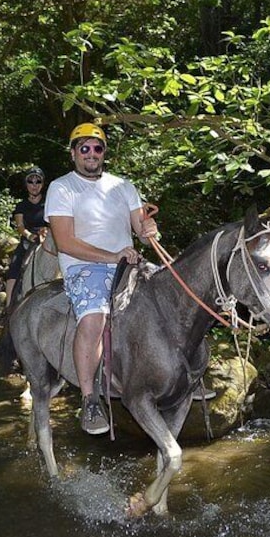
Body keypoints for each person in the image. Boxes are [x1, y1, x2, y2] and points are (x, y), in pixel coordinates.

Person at [45, 123, 158, 435]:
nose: (91, 154)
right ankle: (89, 399)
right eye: (84, 148)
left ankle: (188, 373)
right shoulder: (61, 188)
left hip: (127, 263)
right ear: (73, 153)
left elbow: (143, 231)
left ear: (104, 153)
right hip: (84, 267)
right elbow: (65, 242)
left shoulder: (124, 186)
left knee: (178, 296)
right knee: (94, 319)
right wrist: (112, 257)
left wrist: (149, 232)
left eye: (97, 148)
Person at [5, 166, 49, 306]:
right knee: (15, 266)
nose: (34, 185)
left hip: (48, 239)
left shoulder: (49, 203)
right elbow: (20, 227)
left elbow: (56, 221)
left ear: (42, 184)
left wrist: (46, 231)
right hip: (29, 240)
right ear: (26, 184)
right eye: (31, 182)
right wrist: (30, 236)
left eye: (38, 182)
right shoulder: (21, 206)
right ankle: (9, 306)